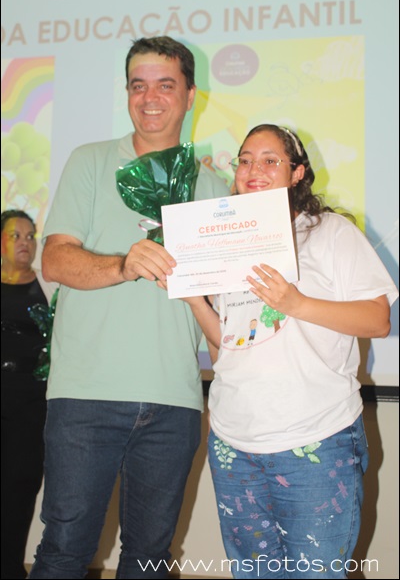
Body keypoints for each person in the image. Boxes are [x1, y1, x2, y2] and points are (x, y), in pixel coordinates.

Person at [28, 36, 229, 579]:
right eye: (138, 86)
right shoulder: (90, 161)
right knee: (64, 551)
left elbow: (223, 309)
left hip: (174, 400)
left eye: (165, 85)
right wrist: (124, 264)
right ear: (127, 94)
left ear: (191, 95)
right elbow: (55, 260)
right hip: (85, 396)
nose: (150, 98)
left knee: (149, 560)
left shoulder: (214, 187)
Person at [171, 124, 398, 579]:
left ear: (297, 173)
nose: (253, 169)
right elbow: (227, 351)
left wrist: (296, 303)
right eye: (245, 160)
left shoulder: (331, 232)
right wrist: (195, 300)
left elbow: (378, 320)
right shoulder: (227, 245)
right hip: (234, 443)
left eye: (270, 160)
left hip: (316, 439)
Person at [1, 209, 58, 580]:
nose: (25, 243)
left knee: (19, 492)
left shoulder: (49, 286)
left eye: (30, 236)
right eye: (15, 235)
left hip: (30, 407)